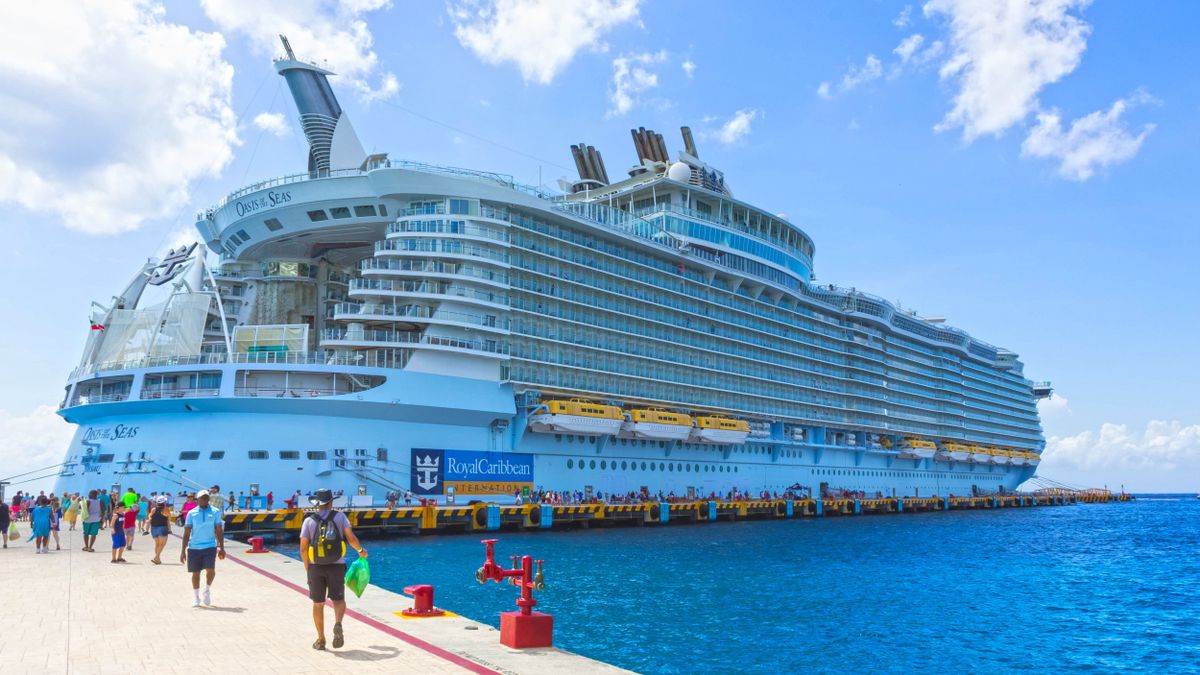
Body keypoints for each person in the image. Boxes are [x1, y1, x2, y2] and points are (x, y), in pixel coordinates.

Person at [299, 488, 367, 651]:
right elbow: (350, 538)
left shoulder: (309, 521)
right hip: (336, 565)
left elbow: (302, 548)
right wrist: (360, 551)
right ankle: (338, 623)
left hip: (316, 567)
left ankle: (321, 639)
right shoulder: (340, 517)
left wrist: (308, 569)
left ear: (317, 503)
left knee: (318, 603)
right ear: (331, 502)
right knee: (338, 599)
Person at [180, 490, 225, 607]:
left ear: (208, 499)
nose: (204, 500)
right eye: (201, 498)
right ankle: (196, 596)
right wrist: (182, 551)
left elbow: (219, 530)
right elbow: (186, 533)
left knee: (211, 570)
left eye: (206, 498)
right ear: (197, 500)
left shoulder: (215, 512)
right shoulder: (191, 513)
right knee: (196, 573)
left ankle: (207, 590)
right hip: (194, 547)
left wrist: (222, 548)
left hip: (210, 546)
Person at [149, 495, 171, 564]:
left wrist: (150, 519)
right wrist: (169, 530)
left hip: (153, 528)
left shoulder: (153, 509)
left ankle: (158, 560)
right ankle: (156, 557)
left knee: (157, 544)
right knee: (162, 544)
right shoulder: (166, 510)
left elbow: (150, 516)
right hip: (162, 528)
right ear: (164, 502)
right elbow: (168, 521)